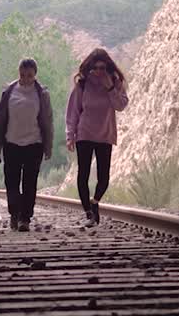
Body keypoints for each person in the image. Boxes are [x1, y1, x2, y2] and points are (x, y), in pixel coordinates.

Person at [0, 58, 54, 232]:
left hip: (34, 143)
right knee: (12, 182)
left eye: (29, 75)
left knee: (30, 183)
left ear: (35, 75)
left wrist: (48, 146)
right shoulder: (9, 92)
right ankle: (14, 214)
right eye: (22, 75)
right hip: (12, 143)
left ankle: (25, 218)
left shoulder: (41, 94)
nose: (25, 78)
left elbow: (48, 120)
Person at [65, 48, 128, 226]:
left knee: (104, 178)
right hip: (84, 133)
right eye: (96, 67)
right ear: (90, 67)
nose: (99, 71)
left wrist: (110, 88)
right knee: (83, 174)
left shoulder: (115, 83)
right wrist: (70, 135)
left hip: (105, 134)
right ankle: (88, 213)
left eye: (103, 67)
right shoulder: (83, 84)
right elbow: (73, 112)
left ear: (108, 67)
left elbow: (121, 105)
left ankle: (95, 202)